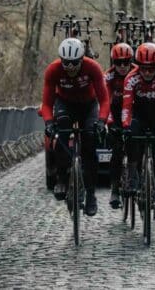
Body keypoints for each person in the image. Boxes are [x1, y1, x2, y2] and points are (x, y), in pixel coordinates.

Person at [41, 38, 109, 217]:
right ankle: (62, 178)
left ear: (82, 59)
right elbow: (47, 103)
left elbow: (104, 99)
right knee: (61, 131)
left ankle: (91, 194)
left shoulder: (93, 67)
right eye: (66, 63)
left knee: (90, 141)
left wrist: (101, 121)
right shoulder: (53, 70)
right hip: (65, 103)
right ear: (61, 60)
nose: (70, 67)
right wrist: (49, 123)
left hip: (89, 105)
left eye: (74, 63)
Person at [121, 42, 155, 221]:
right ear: (138, 67)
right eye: (143, 69)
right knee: (131, 139)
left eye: (151, 69)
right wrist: (125, 126)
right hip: (139, 116)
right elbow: (127, 107)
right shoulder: (131, 78)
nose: (147, 72)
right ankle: (132, 173)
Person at [103, 43, 136, 209]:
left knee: (136, 149)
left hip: (135, 114)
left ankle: (138, 177)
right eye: (118, 63)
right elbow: (104, 102)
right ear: (113, 62)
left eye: (126, 62)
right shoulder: (108, 77)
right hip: (115, 116)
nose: (122, 66)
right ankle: (115, 190)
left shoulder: (139, 73)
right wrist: (109, 122)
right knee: (116, 153)